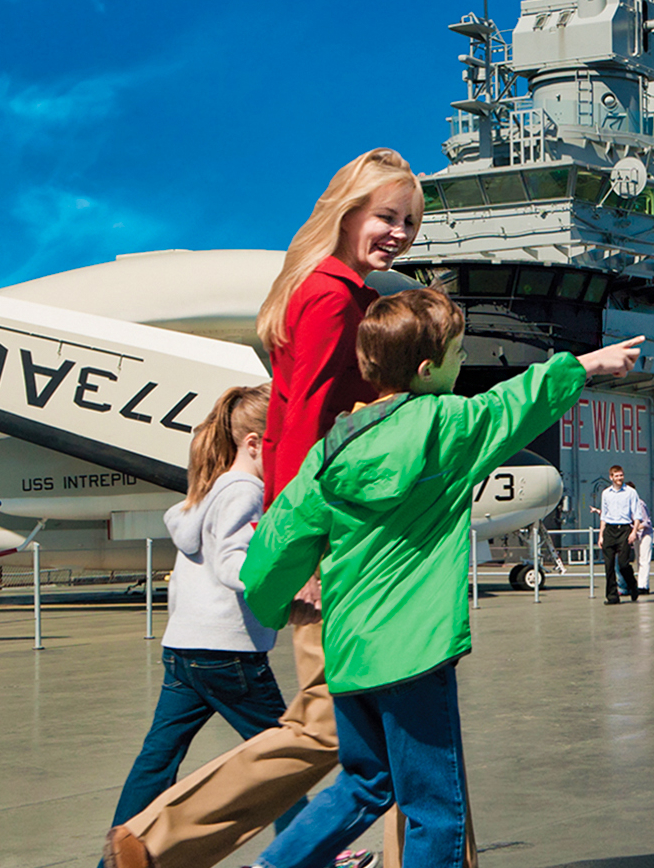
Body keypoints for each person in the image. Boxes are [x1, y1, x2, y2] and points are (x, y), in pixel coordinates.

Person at [238, 288, 644, 868]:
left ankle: (273, 866)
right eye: (457, 353)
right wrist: (588, 364)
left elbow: (277, 543)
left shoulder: (331, 449)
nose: (462, 363)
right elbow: (515, 402)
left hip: (351, 650)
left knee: (365, 784)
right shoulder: (446, 425)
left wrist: (272, 603)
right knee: (435, 809)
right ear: (428, 370)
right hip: (415, 651)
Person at [106, 148, 429, 868]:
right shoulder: (336, 298)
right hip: (343, 543)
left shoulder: (318, 289)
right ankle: (157, 843)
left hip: (346, 538)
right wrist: (302, 545)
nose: (400, 234)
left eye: (409, 221)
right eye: (386, 216)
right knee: (332, 728)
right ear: (348, 213)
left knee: (393, 733)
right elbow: (307, 424)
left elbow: (287, 422)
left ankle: (158, 842)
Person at [106, 385, 306, 839]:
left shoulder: (208, 491)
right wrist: (292, 589)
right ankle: (309, 852)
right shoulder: (247, 491)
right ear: (254, 443)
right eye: (280, 443)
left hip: (183, 650)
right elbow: (234, 564)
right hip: (229, 654)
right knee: (282, 754)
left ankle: (117, 855)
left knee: (157, 761)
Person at [596, 465, 643, 604]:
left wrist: (634, 531)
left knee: (623, 564)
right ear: (611, 477)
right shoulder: (606, 493)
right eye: (616, 476)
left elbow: (637, 514)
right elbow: (604, 516)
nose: (619, 478)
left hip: (624, 529)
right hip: (610, 530)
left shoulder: (631, 492)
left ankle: (632, 585)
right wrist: (601, 535)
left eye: (621, 475)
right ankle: (612, 596)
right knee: (609, 565)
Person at [627, 482, 654, 594]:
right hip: (636, 534)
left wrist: (635, 528)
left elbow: (647, 522)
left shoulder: (640, 504)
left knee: (644, 559)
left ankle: (644, 586)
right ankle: (640, 583)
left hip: (645, 534)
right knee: (638, 559)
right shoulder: (627, 505)